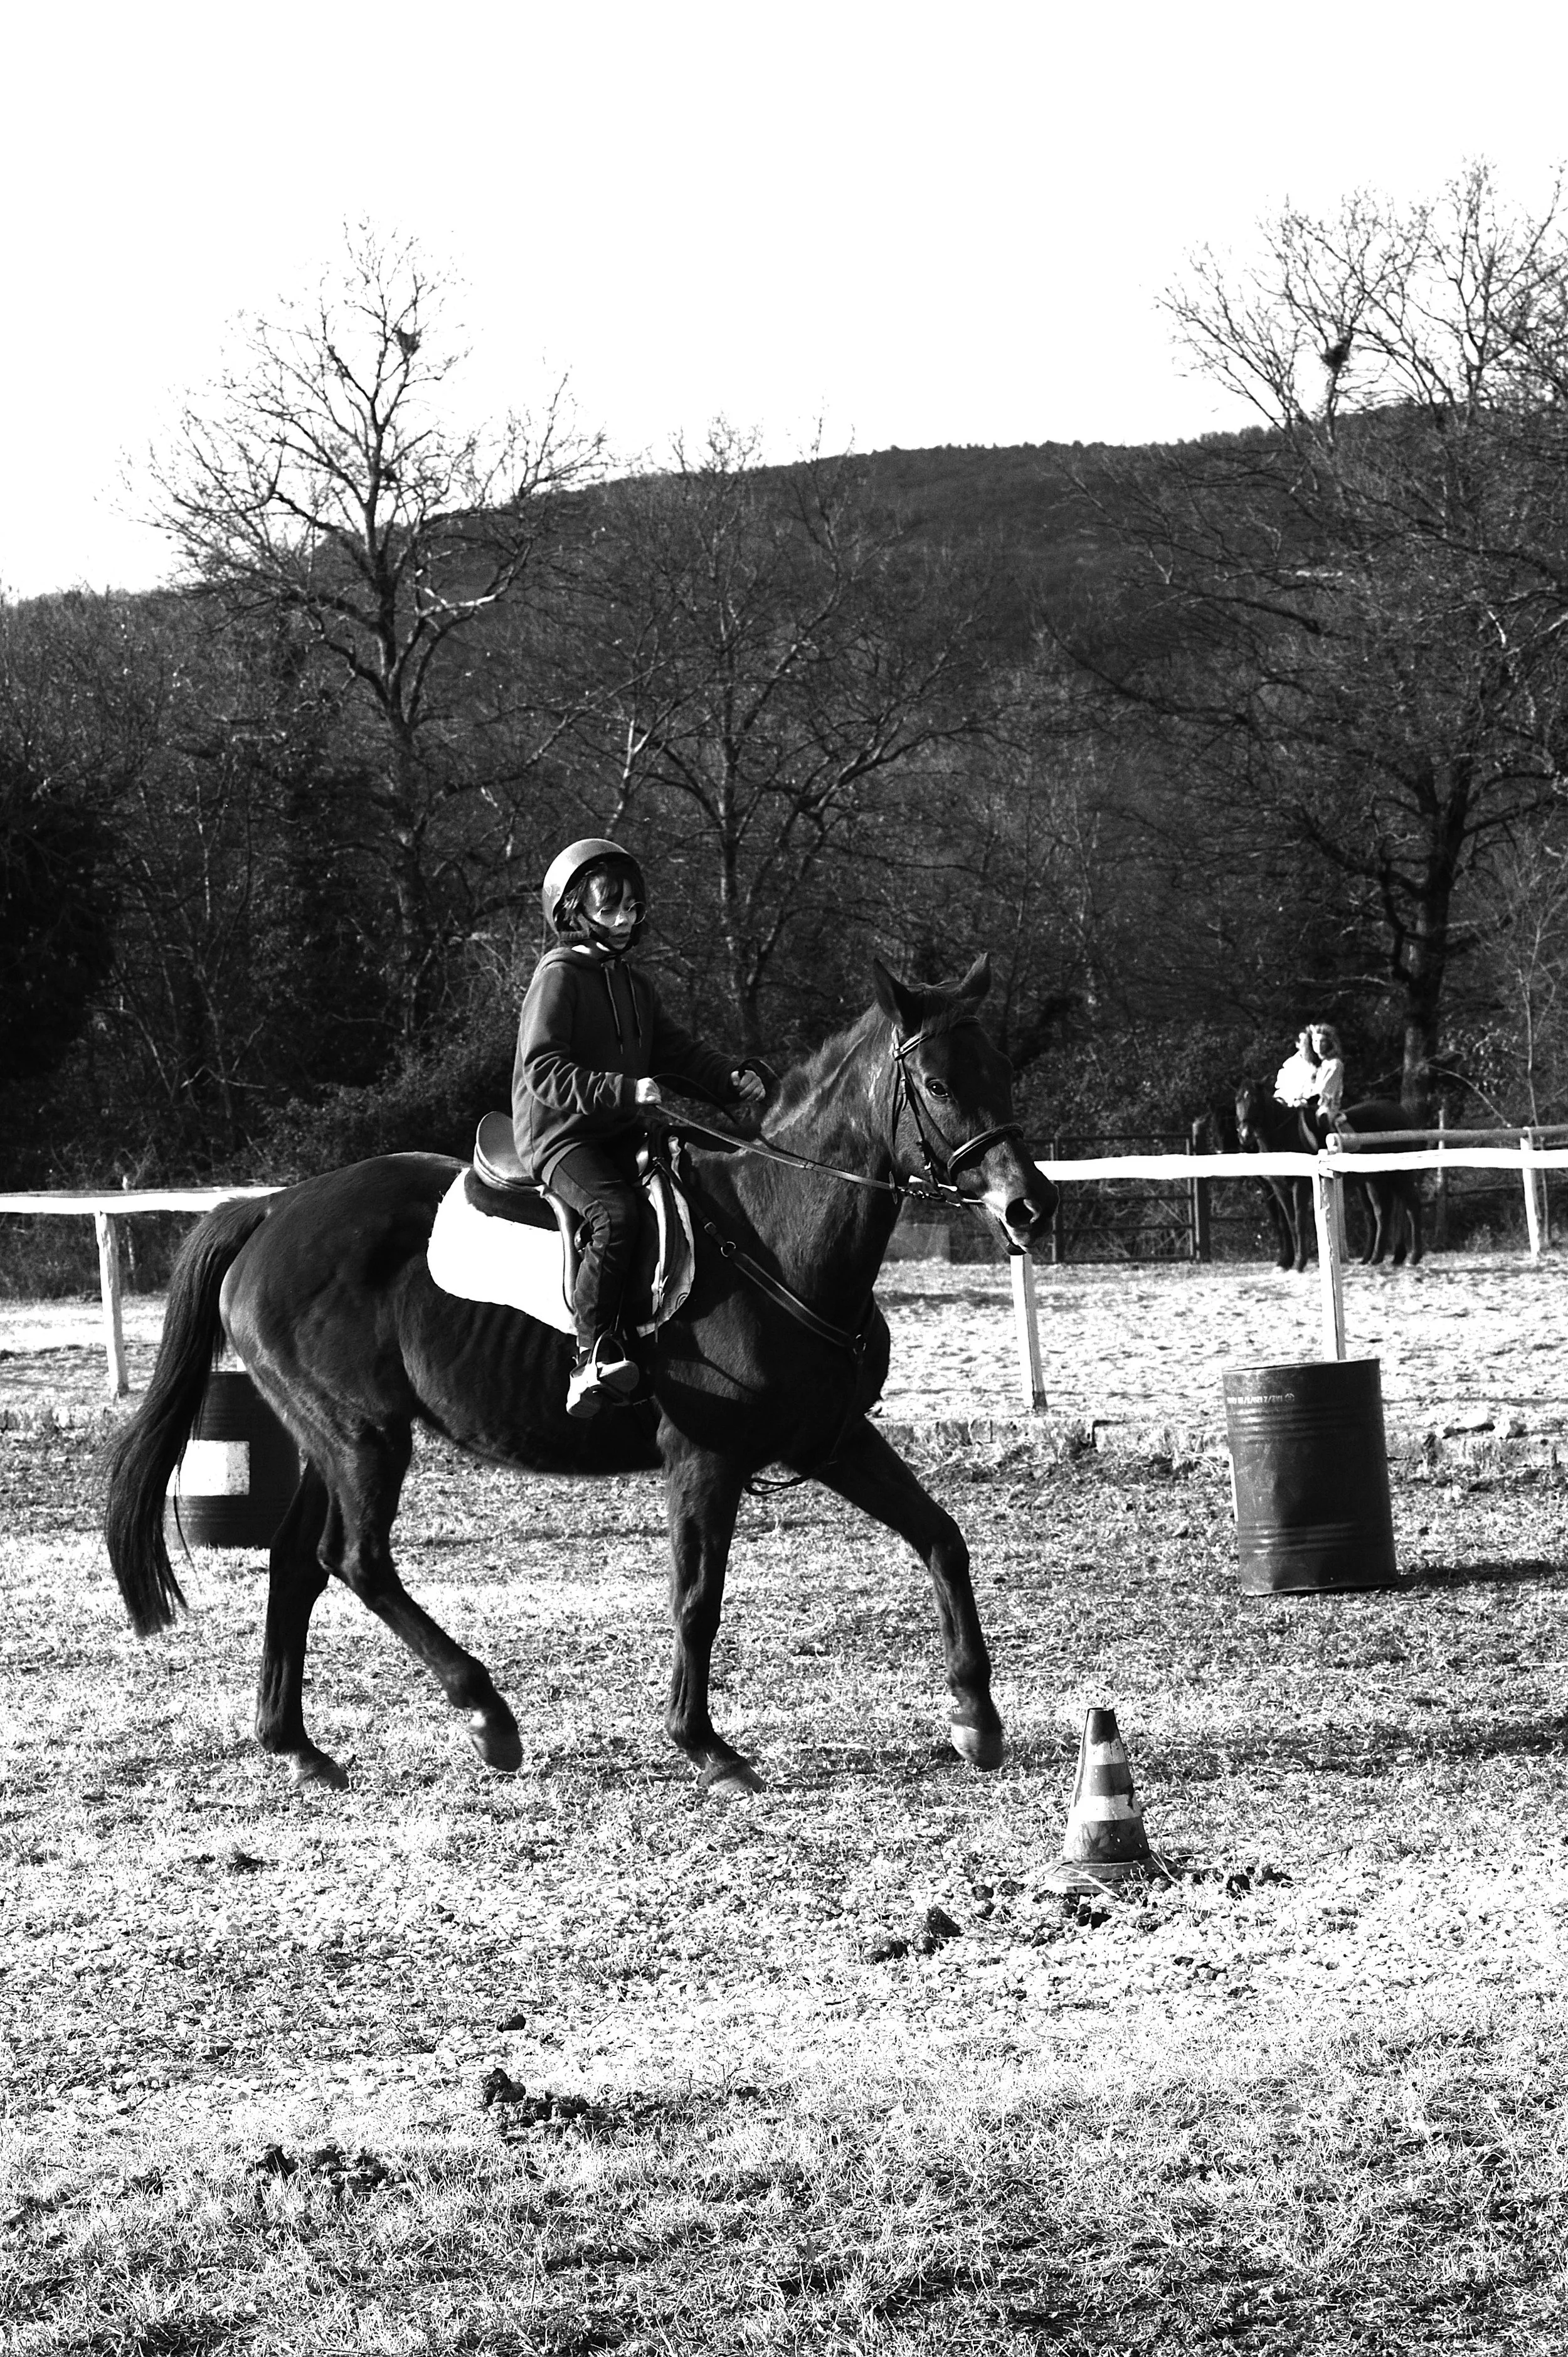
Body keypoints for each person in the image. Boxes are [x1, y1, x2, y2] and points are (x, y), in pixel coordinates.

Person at [513, 838, 768, 1419]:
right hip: (562, 1138)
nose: (625, 920)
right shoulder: (558, 977)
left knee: (702, 1178)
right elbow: (542, 1069)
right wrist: (621, 1090)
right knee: (616, 1214)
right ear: (574, 911)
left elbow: (677, 1054)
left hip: (619, 1130)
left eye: (632, 908)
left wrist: (731, 1081)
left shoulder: (635, 985)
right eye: (610, 909)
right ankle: (592, 1355)